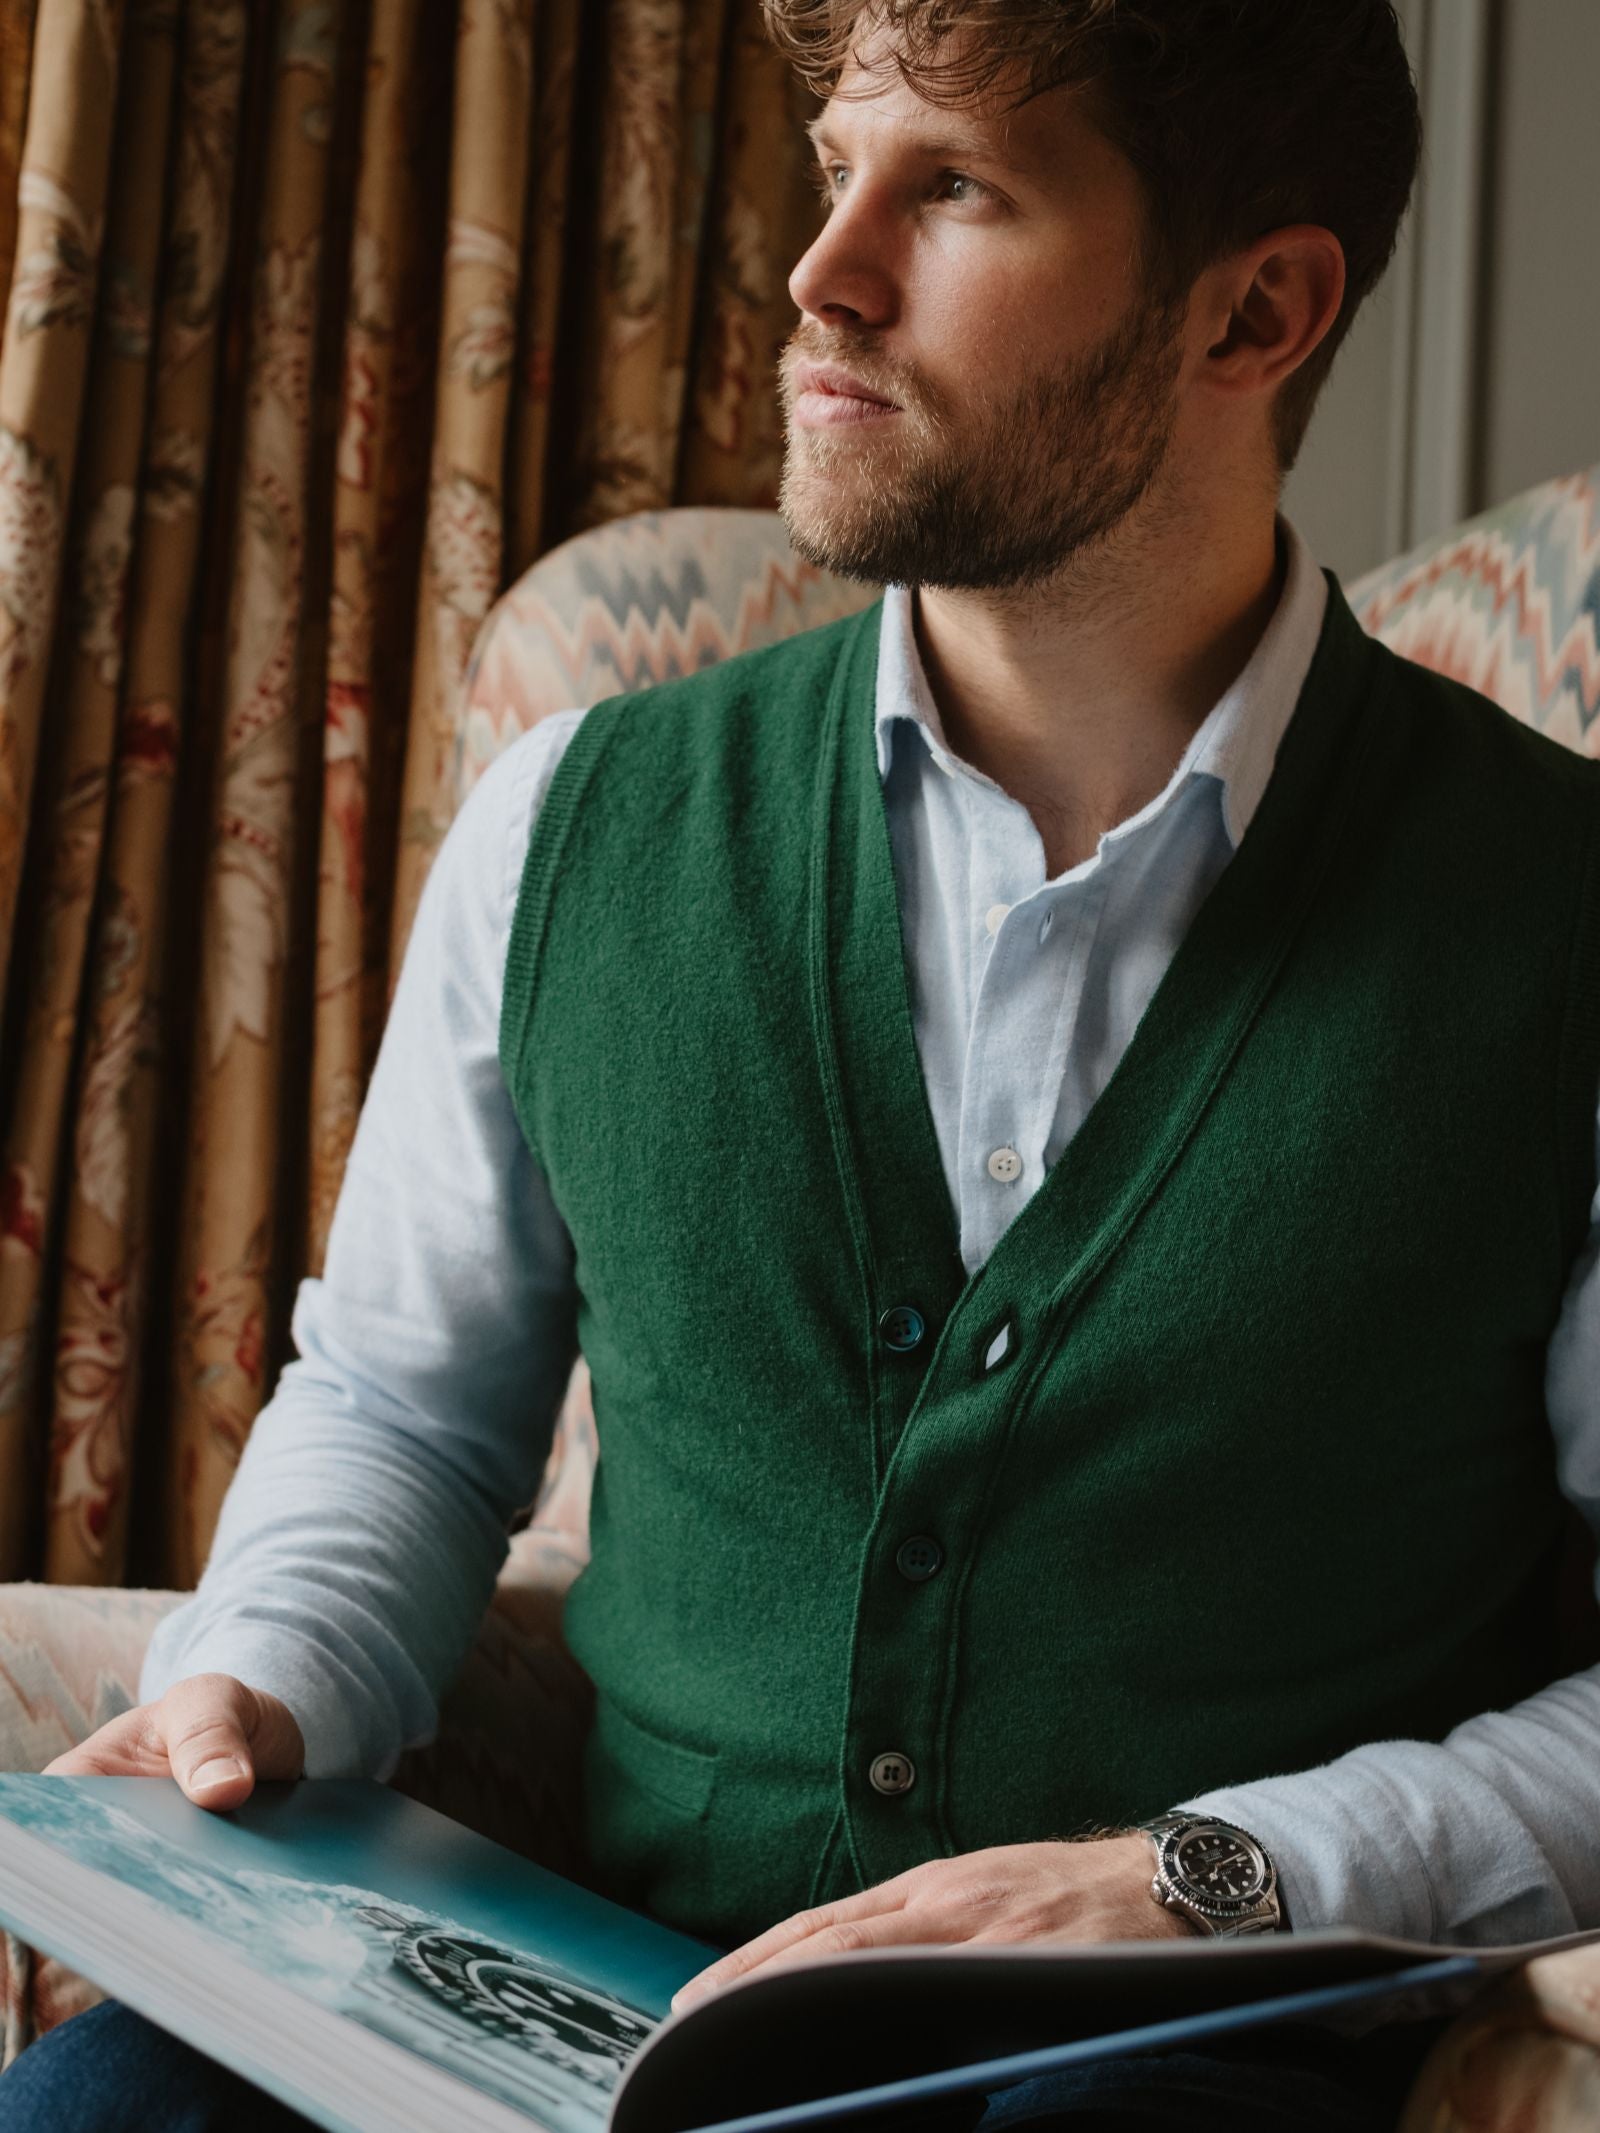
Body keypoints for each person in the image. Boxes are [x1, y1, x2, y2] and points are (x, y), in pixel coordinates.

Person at [7, 3, 1599, 2127]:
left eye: (948, 186)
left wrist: (1205, 1878)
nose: (815, 268)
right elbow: (398, 1398)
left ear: (1253, 310)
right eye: (835, 156)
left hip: (1172, 2062)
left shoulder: (1556, 921)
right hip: (598, 2003)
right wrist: (257, 1677)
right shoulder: (573, 821)